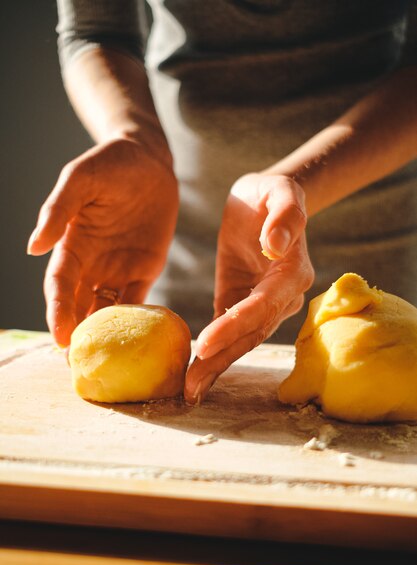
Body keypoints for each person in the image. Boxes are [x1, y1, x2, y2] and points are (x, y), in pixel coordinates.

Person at [28, 0, 417, 404]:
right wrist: (133, 136)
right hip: (171, 235)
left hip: (368, 244)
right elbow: (96, 31)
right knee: (182, 385)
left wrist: (300, 181)